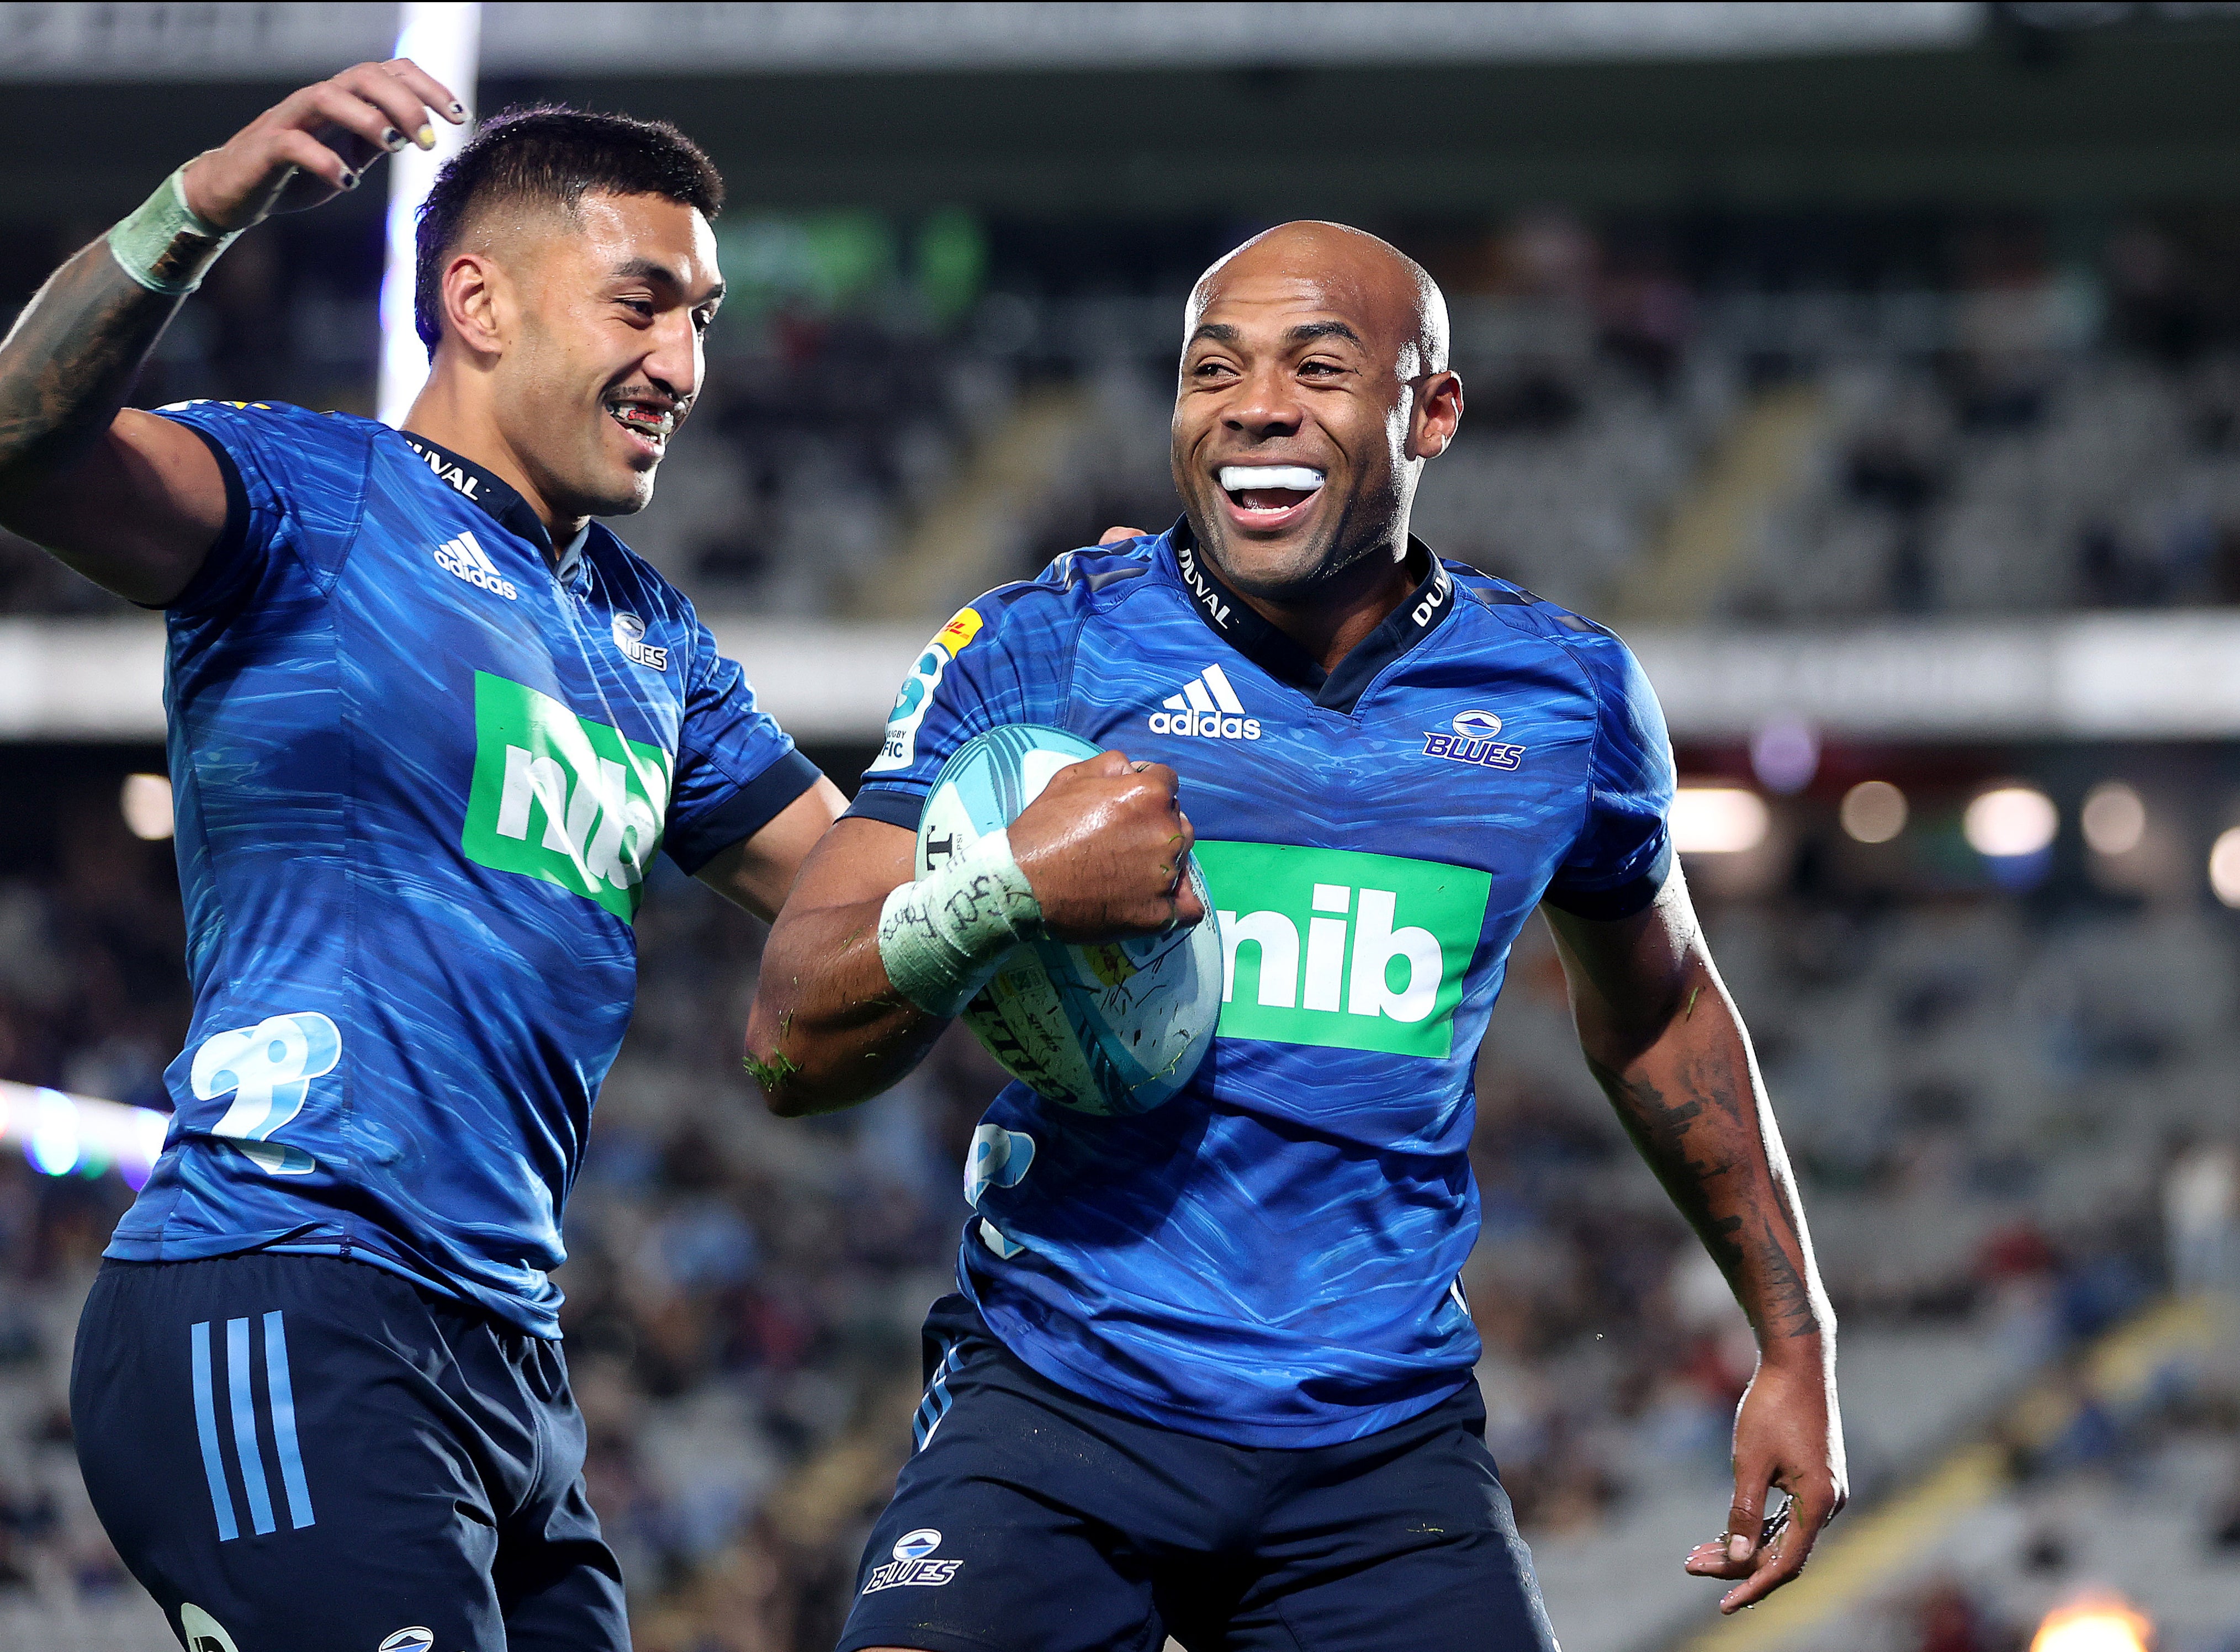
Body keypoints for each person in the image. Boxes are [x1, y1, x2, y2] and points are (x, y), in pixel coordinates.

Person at [746, 220, 1847, 1652]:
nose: (1255, 403)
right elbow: (786, 1042)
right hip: (1057, 1405)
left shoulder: (1559, 696)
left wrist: (1793, 1335)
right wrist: (1007, 888)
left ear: (1431, 410)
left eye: (1317, 366)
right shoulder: (1036, 649)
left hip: (1377, 1456)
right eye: (1214, 369)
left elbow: (1657, 1012)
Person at [0, 61, 839, 1650]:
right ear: (479, 299)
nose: (685, 364)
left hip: (510, 1369)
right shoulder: (311, 497)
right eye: (643, 305)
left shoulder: (652, 640)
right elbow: (19, 442)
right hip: (279, 1290)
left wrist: (1030, 798)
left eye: (702, 318)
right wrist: (197, 208)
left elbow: (856, 893)